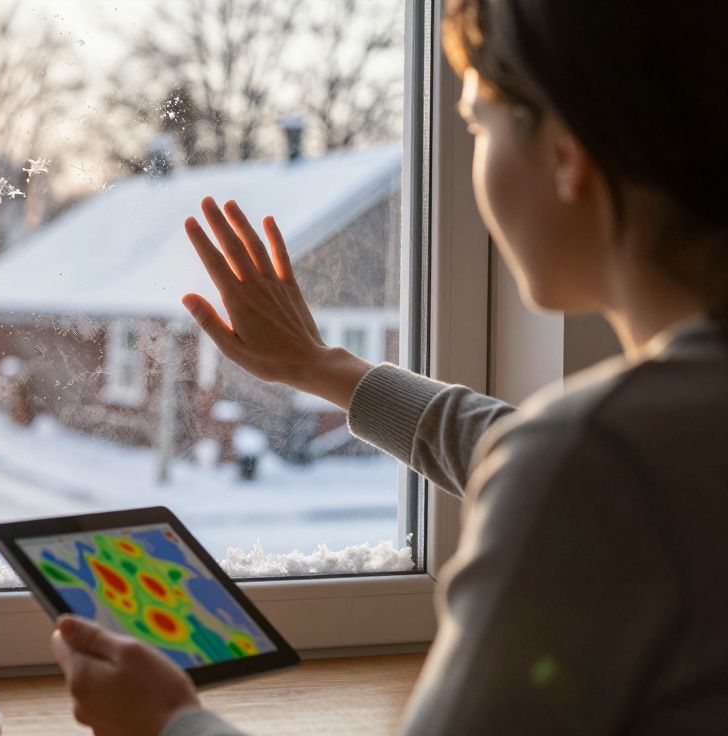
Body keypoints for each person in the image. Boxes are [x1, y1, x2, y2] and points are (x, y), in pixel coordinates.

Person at [50, 0, 728, 733]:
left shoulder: (601, 456)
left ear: (566, 156)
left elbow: (578, 468)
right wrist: (320, 367)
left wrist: (170, 723)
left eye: (477, 124)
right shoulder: (656, 443)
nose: (475, 156)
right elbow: (537, 454)